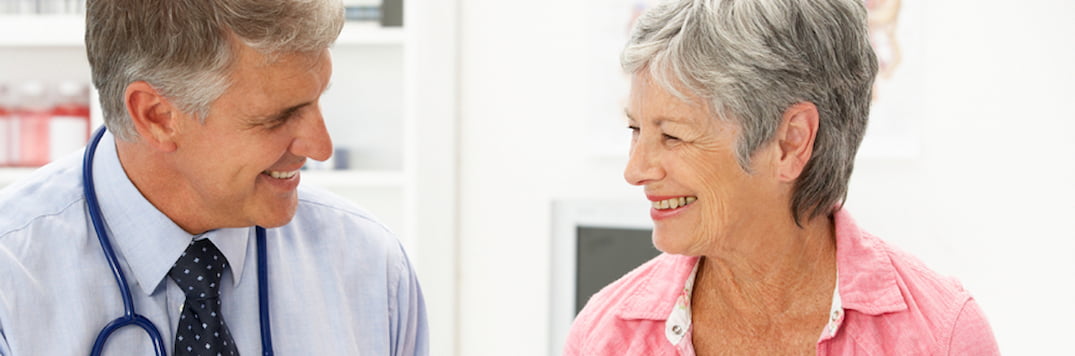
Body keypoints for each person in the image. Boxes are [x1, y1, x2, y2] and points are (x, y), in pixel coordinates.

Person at [563, 0, 999, 355]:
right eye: (635, 130)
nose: (635, 170)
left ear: (791, 143)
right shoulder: (603, 337)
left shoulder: (942, 338)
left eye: (673, 135)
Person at [0, 1, 427, 355]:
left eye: (316, 100)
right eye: (278, 117)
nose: (320, 146)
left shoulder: (371, 270)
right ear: (157, 117)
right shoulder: (12, 279)